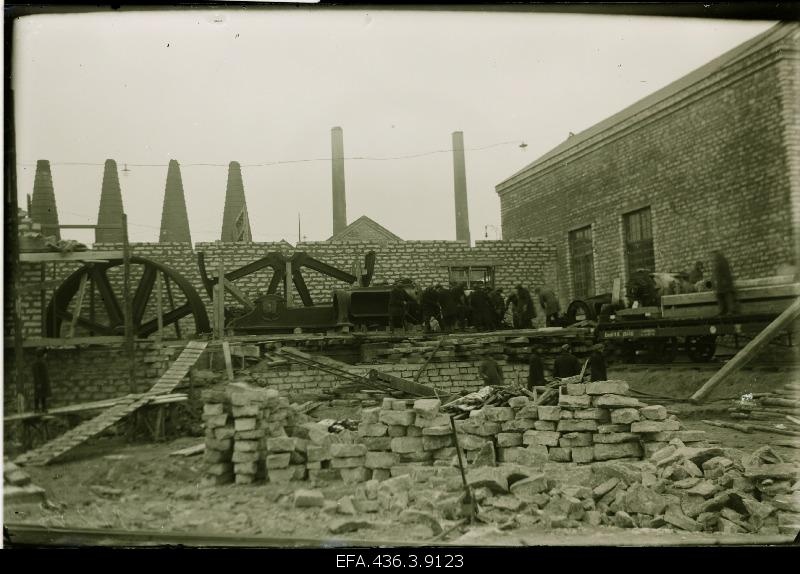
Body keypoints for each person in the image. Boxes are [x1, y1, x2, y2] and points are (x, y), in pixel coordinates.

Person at [712, 251, 739, 315]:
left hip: (725, 283)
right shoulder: (718, 262)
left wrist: (725, 281)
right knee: (720, 296)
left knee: (727, 296)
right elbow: (716, 274)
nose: (713, 257)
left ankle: (731, 310)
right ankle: (723, 310)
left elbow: (726, 273)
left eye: (714, 255)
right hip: (720, 284)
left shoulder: (722, 262)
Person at [31, 348, 51, 413]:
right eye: (44, 354)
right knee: (37, 395)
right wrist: (38, 383)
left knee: (43, 395)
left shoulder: (42, 361)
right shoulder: (36, 362)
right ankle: (36, 408)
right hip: (40, 382)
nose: (46, 355)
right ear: (42, 354)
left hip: (43, 382)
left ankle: (43, 408)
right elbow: (36, 373)